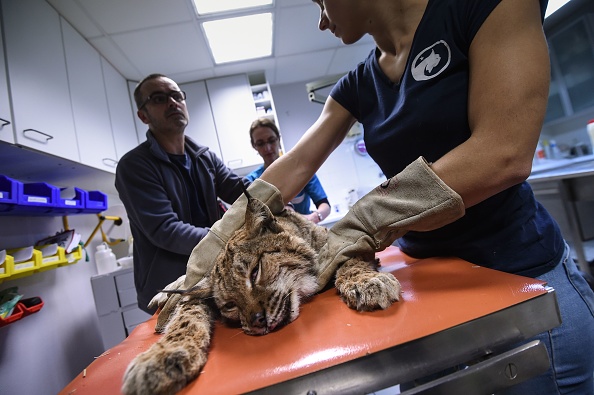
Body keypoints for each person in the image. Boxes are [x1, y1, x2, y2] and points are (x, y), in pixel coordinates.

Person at [156, 1, 594, 393]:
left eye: (320, 3)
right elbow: (294, 167)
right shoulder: (357, 84)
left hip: (518, 271)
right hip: (425, 281)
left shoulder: (478, 6)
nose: (322, 20)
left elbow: (504, 152)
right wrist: (201, 264)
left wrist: (360, 223)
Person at [115, 73, 249, 314]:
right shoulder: (134, 166)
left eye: (177, 96)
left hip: (212, 276)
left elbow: (239, 191)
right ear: (143, 115)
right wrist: (230, 240)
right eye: (159, 98)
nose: (172, 102)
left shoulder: (203, 156)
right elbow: (166, 229)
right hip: (171, 290)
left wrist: (275, 198)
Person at [245, 118, 331, 224]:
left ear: (278, 139)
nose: (267, 148)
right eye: (260, 143)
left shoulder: (302, 169)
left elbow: (324, 205)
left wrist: (316, 216)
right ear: (254, 146)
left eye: (271, 140)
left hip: (305, 231)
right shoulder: (252, 181)